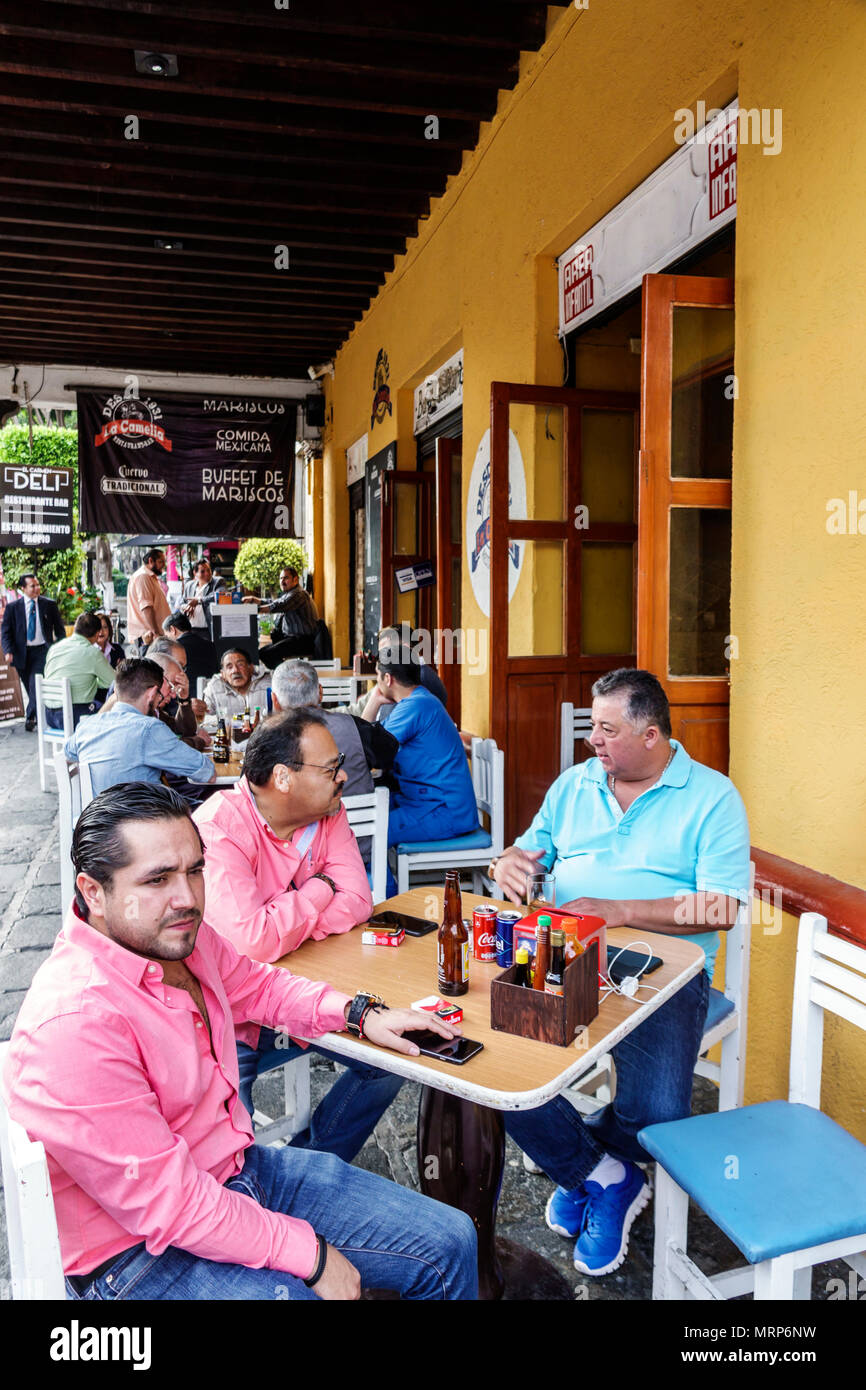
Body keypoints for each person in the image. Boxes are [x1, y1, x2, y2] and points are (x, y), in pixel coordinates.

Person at [2, 783, 477, 1301]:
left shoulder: (174, 936)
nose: (187, 898)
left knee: (451, 1241)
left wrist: (359, 1013)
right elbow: (173, 1205)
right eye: (158, 879)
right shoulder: (75, 1023)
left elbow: (256, 984)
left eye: (194, 870)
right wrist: (310, 1255)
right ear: (93, 892)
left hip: (235, 1170)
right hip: (136, 1255)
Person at [490, 668, 750, 1279]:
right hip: (567, 955)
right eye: (592, 726)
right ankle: (604, 1174)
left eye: (606, 729)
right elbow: (528, 850)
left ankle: (588, 1157)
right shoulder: (575, 786)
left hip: (666, 973)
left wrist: (622, 910)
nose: (592, 741)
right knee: (489, 1066)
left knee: (657, 1112)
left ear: (653, 735)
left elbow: (723, 907)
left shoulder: (712, 798)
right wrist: (510, 863)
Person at [194, 709, 407, 1160]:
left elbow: (358, 901)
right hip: (231, 1018)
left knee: (390, 1058)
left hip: (304, 992)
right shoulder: (220, 828)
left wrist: (281, 927)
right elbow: (252, 943)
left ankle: (313, 1161)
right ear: (283, 778)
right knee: (231, 1157)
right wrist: (317, 890)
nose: (344, 777)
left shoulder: (328, 813)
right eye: (330, 769)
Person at [362, 648, 477, 850]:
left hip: (442, 810)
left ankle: (386, 884)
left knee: (367, 835)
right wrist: (376, 702)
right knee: (365, 819)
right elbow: (369, 740)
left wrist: (373, 702)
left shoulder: (416, 706)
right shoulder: (420, 700)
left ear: (387, 679)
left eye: (377, 677)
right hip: (429, 803)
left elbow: (369, 748)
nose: (376, 684)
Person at [65, 658, 215, 796]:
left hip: (96, 819)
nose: (159, 700)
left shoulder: (86, 725)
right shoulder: (149, 729)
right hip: (141, 819)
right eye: (158, 695)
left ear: (117, 691)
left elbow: (67, 755)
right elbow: (207, 772)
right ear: (151, 693)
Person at [271, 659, 398, 799]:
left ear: (274, 700)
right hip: (360, 818)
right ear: (320, 692)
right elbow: (389, 755)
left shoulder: (268, 741)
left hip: (304, 819)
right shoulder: (356, 727)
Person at [0, 571, 65, 730]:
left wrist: (59, 647)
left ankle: (30, 717)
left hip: (42, 651)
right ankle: (35, 713)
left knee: (36, 684)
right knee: (30, 687)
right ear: (23, 588)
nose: (37, 588)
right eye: (32, 585)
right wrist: (8, 651)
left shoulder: (49, 605)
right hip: (21, 653)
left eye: (37, 584)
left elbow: (60, 629)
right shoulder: (12, 608)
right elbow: (5, 632)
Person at [342, 624, 448, 719]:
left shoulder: (417, 678)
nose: (381, 659)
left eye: (386, 651)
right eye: (380, 654)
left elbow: (387, 734)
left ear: (406, 648)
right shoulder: (397, 673)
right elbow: (358, 709)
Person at [43, 611, 117, 727]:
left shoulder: (54, 648)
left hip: (49, 716)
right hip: (74, 716)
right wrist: (96, 681)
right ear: (97, 634)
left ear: (75, 628)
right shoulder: (92, 653)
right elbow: (113, 681)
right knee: (112, 707)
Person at [258, 566, 319, 668]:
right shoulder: (289, 594)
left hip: (303, 641)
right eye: (281, 578)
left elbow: (280, 605)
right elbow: (275, 602)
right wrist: (256, 600)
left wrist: (257, 609)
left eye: (286, 578)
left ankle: (287, 674)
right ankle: (286, 672)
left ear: (295, 579)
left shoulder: (299, 594)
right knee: (263, 652)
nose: (282, 581)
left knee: (267, 654)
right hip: (293, 639)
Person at [202, 646, 271, 719]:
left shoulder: (268, 683)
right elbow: (205, 717)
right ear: (223, 674)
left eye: (240, 665)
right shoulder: (214, 687)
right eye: (229, 667)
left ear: (251, 668)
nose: (235, 670)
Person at [126, 548, 171, 653]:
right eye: (161, 562)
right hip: (150, 638)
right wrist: (157, 634)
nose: (163, 565)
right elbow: (146, 607)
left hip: (152, 638)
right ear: (151, 561)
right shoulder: (143, 576)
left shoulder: (149, 577)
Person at [163, 609, 218, 691]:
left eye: (167, 636)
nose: (167, 640)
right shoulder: (210, 645)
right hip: (210, 690)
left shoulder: (173, 649)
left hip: (185, 692)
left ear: (172, 629)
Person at [182, 557, 225, 635]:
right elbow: (181, 603)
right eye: (202, 571)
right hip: (190, 630)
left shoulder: (218, 581)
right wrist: (186, 607)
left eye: (208, 570)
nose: (207, 573)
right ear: (195, 573)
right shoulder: (189, 585)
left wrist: (198, 600)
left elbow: (219, 595)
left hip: (208, 631)